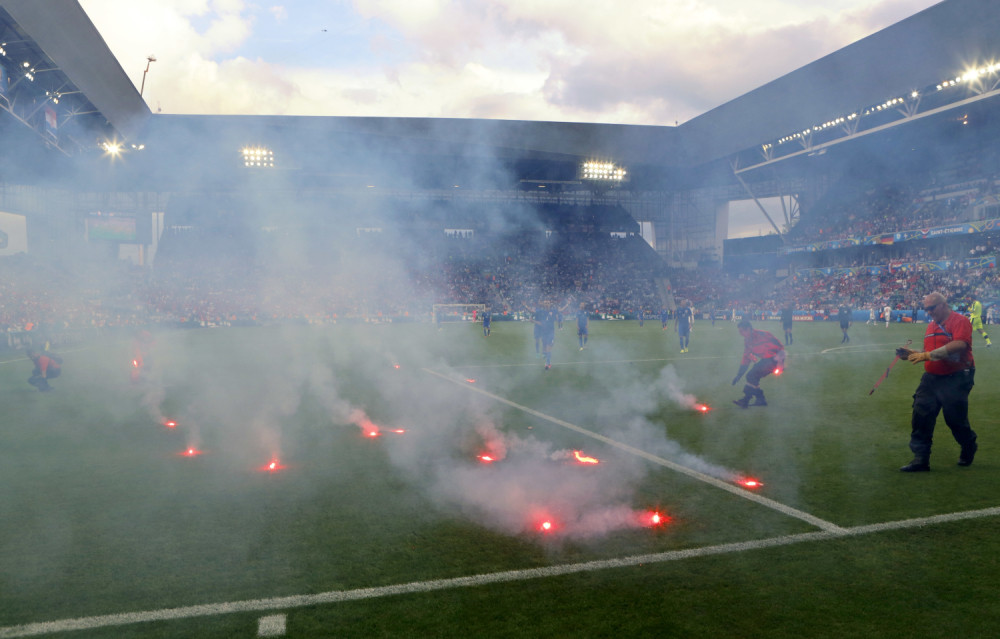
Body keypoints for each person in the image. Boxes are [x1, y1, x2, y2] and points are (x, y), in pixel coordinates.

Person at [896, 291, 977, 472]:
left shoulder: (960, 321)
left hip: (956, 377)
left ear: (943, 304)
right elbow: (929, 352)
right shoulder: (931, 326)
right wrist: (913, 354)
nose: (929, 312)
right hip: (931, 377)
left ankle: (968, 445)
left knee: (955, 419)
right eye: (926, 309)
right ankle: (920, 459)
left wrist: (927, 355)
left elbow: (959, 344)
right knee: (921, 415)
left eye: (931, 308)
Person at [731, 320, 785, 408]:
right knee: (752, 376)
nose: (740, 334)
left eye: (741, 331)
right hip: (766, 360)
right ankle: (760, 400)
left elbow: (780, 347)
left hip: (774, 359)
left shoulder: (764, 335)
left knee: (751, 375)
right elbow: (746, 358)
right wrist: (739, 375)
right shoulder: (747, 341)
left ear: (748, 329)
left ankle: (746, 400)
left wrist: (781, 363)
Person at [532, 300, 558, 369]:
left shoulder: (554, 311)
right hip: (543, 332)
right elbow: (534, 314)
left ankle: (547, 363)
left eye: (548, 303)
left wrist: (559, 320)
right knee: (545, 348)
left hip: (551, 332)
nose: (547, 304)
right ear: (543, 305)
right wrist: (532, 320)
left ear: (550, 304)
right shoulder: (541, 312)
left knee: (548, 347)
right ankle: (546, 357)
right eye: (545, 303)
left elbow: (558, 315)